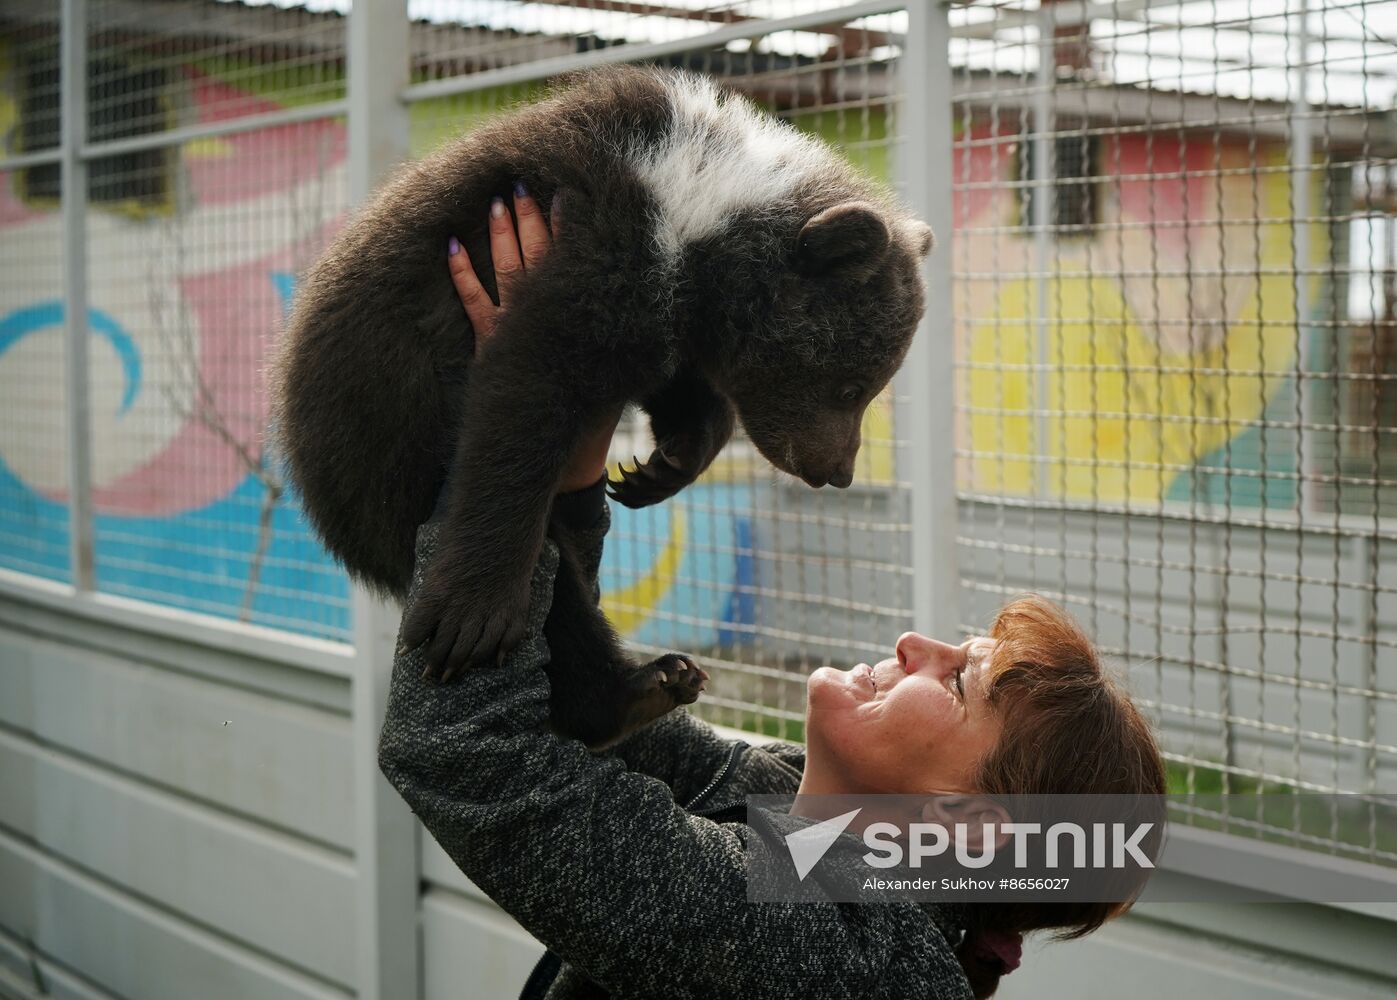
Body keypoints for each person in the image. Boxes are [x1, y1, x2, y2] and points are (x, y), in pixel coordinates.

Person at [378, 185, 1168, 1000]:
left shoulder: (839, 961)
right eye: (954, 647)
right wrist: (573, 480)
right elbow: (573, 719)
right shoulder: (799, 813)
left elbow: (466, 752)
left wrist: (520, 414)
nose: (913, 645)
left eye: (959, 682)